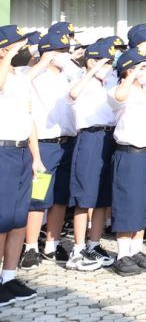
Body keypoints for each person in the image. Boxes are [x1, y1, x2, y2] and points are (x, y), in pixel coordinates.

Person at [21, 28, 79, 268]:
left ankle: (51, 245)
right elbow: (19, 83)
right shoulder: (32, 75)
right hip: (44, 145)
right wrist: (42, 61)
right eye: (61, 51)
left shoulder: (69, 74)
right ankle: (30, 246)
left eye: (67, 50)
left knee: (60, 198)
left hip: (68, 142)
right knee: (38, 198)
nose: (67, 54)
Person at [108, 47, 146, 277]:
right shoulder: (119, 90)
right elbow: (118, 97)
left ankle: (136, 249)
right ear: (129, 70)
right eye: (142, 67)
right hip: (131, 153)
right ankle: (122, 254)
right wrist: (131, 73)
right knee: (128, 203)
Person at [64, 39, 118, 272]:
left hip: (109, 138)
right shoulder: (81, 81)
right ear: (93, 61)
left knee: (102, 199)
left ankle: (94, 245)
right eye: (106, 61)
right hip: (89, 137)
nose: (109, 66)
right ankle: (77, 250)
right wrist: (93, 68)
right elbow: (73, 94)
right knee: (84, 198)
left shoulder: (108, 83)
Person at [0, 25, 41, 305]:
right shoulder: (3, 74)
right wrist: (7, 55)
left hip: (22, 152)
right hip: (2, 151)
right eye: (18, 45)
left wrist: (36, 156)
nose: (24, 50)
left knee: (18, 219)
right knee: (1, 220)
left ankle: (9, 277)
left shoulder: (21, 78)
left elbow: (30, 118)